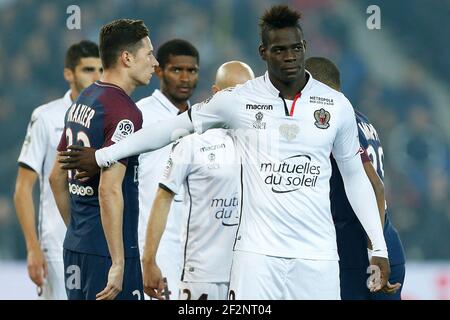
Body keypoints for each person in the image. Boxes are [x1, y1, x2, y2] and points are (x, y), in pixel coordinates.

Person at [59, 5, 391, 299]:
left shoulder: (335, 106)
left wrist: (378, 246)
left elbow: (355, 177)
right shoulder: (239, 99)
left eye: (295, 48)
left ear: (304, 47)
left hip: (318, 257)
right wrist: (103, 156)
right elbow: (170, 130)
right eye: (279, 49)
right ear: (263, 51)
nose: (289, 57)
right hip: (257, 258)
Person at [49, 19, 158, 300]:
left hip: (77, 246)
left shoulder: (84, 98)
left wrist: (79, 230)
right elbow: (109, 190)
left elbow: (56, 177)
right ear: (126, 58)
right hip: (108, 253)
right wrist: (118, 262)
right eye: (149, 54)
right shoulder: (125, 111)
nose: (154, 62)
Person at [142, 61, 255, 300]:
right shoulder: (192, 143)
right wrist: (149, 260)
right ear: (216, 93)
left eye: (249, 92)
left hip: (249, 273)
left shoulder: (261, 145)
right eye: (234, 93)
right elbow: (163, 198)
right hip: (202, 275)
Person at [305, 56, 405, 300]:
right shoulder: (363, 119)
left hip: (361, 249)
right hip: (383, 237)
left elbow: (376, 188)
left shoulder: (337, 124)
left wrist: (375, 251)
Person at [13, 40, 102, 300]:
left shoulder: (107, 117)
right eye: (88, 70)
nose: (96, 77)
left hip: (99, 243)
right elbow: (23, 189)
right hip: (57, 243)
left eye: (100, 69)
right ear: (69, 74)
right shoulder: (47, 117)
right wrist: (33, 247)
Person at [136, 39, 199, 300]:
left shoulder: (203, 120)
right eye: (176, 70)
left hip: (195, 248)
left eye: (192, 71)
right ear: (159, 71)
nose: (185, 78)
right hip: (151, 248)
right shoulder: (139, 116)